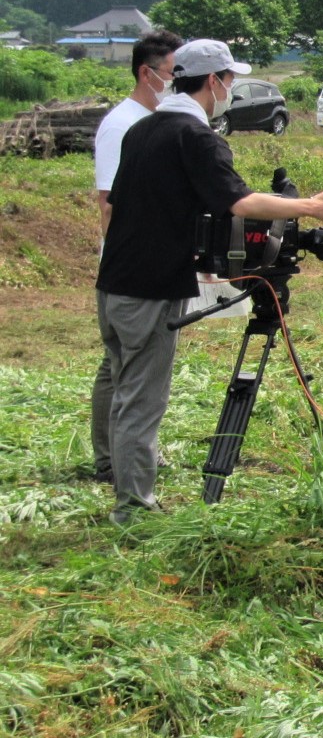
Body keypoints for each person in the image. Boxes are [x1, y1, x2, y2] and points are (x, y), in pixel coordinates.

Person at [96, 39, 323, 523]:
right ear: (213, 81)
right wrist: (310, 207)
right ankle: (133, 508)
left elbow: (156, 209)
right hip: (148, 289)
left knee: (125, 389)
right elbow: (239, 202)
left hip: (114, 281)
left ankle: (124, 485)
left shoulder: (143, 130)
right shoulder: (196, 137)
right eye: (230, 80)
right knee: (141, 400)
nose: (231, 90)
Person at [87, 29, 182, 484]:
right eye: (172, 73)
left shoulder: (152, 122)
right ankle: (114, 462)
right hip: (129, 271)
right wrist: (126, 263)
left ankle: (118, 457)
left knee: (122, 367)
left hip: (134, 267)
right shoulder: (123, 125)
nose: (178, 83)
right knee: (127, 372)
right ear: (148, 74)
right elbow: (107, 202)